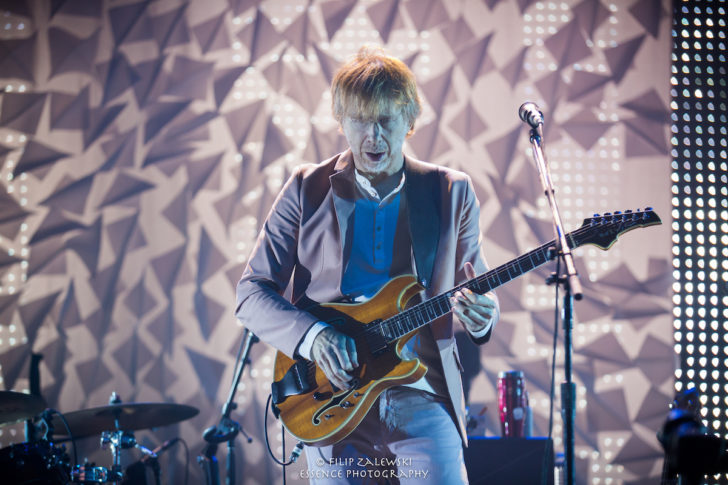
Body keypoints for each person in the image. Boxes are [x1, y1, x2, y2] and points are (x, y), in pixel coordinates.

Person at [236, 45, 499, 484]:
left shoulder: (450, 192)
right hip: (332, 397)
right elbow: (250, 293)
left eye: (385, 121)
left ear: (409, 121)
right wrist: (313, 336)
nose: (372, 137)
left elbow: (476, 289)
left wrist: (482, 317)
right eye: (359, 120)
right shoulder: (305, 188)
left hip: (422, 392)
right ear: (341, 119)